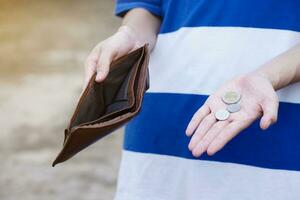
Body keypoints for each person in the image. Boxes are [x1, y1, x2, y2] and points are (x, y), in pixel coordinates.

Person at [84, 1, 300, 199]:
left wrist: (269, 76)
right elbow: (148, 5)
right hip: (158, 140)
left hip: (275, 140)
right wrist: (131, 34)